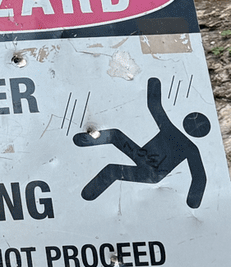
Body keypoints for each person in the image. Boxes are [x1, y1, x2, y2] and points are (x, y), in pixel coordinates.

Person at [74, 76, 209, 208]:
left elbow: (199, 177)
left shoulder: (188, 145)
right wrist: (154, 84)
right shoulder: (183, 140)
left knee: (113, 167)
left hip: (151, 173)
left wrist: (193, 200)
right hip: (144, 158)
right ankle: (84, 140)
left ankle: (89, 193)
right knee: (115, 138)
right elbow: (155, 107)